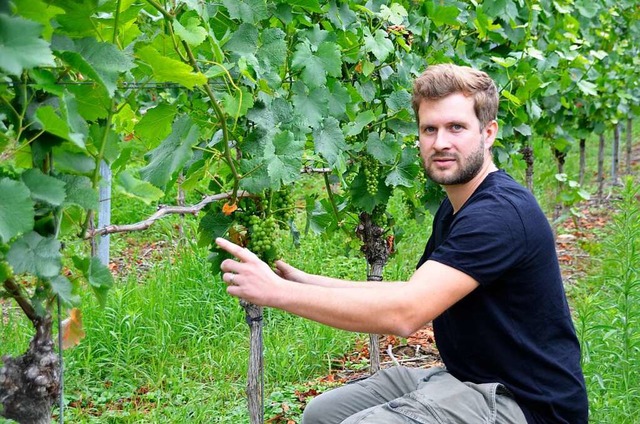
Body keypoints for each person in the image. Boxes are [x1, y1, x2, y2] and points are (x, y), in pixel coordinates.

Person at [215, 63, 588, 423]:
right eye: (430, 130)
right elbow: (416, 291)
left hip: (526, 406)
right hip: (469, 379)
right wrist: (303, 281)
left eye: (456, 127)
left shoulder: (499, 214)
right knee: (322, 415)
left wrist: (275, 293)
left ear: (488, 133)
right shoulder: (456, 205)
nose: (440, 142)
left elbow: (406, 314)